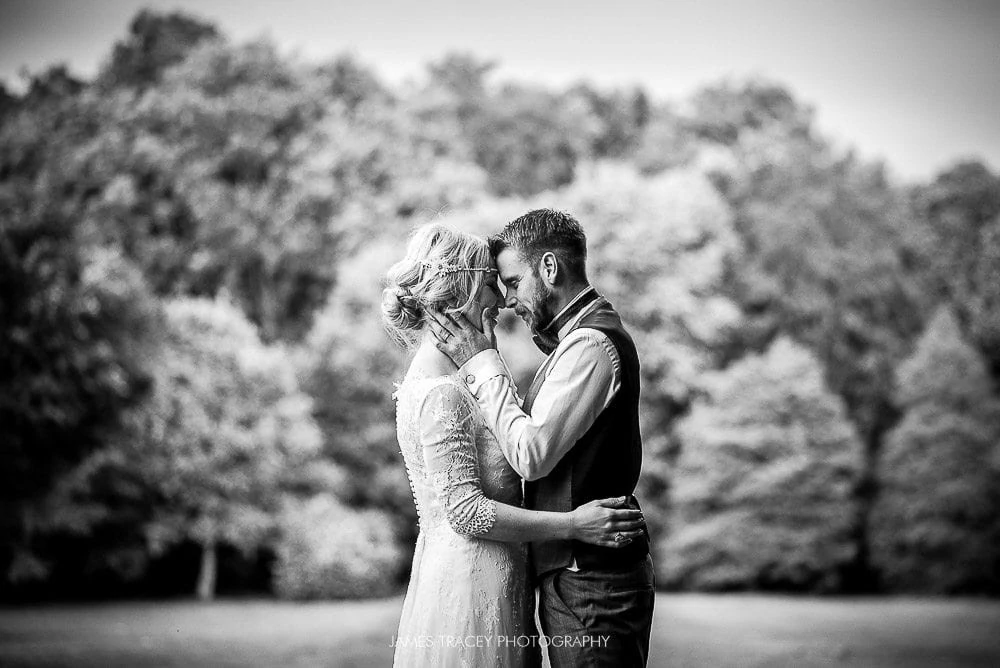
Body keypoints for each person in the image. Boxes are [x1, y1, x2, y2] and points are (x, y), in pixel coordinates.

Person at [383, 222, 645, 668]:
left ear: (548, 267)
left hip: (514, 577)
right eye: (493, 284)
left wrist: (485, 360)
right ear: (461, 291)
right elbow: (466, 510)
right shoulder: (442, 389)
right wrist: (572, 525)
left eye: (510, 282)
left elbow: (527, 449)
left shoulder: (585, 344)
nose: (503, 299)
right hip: (470, 582)